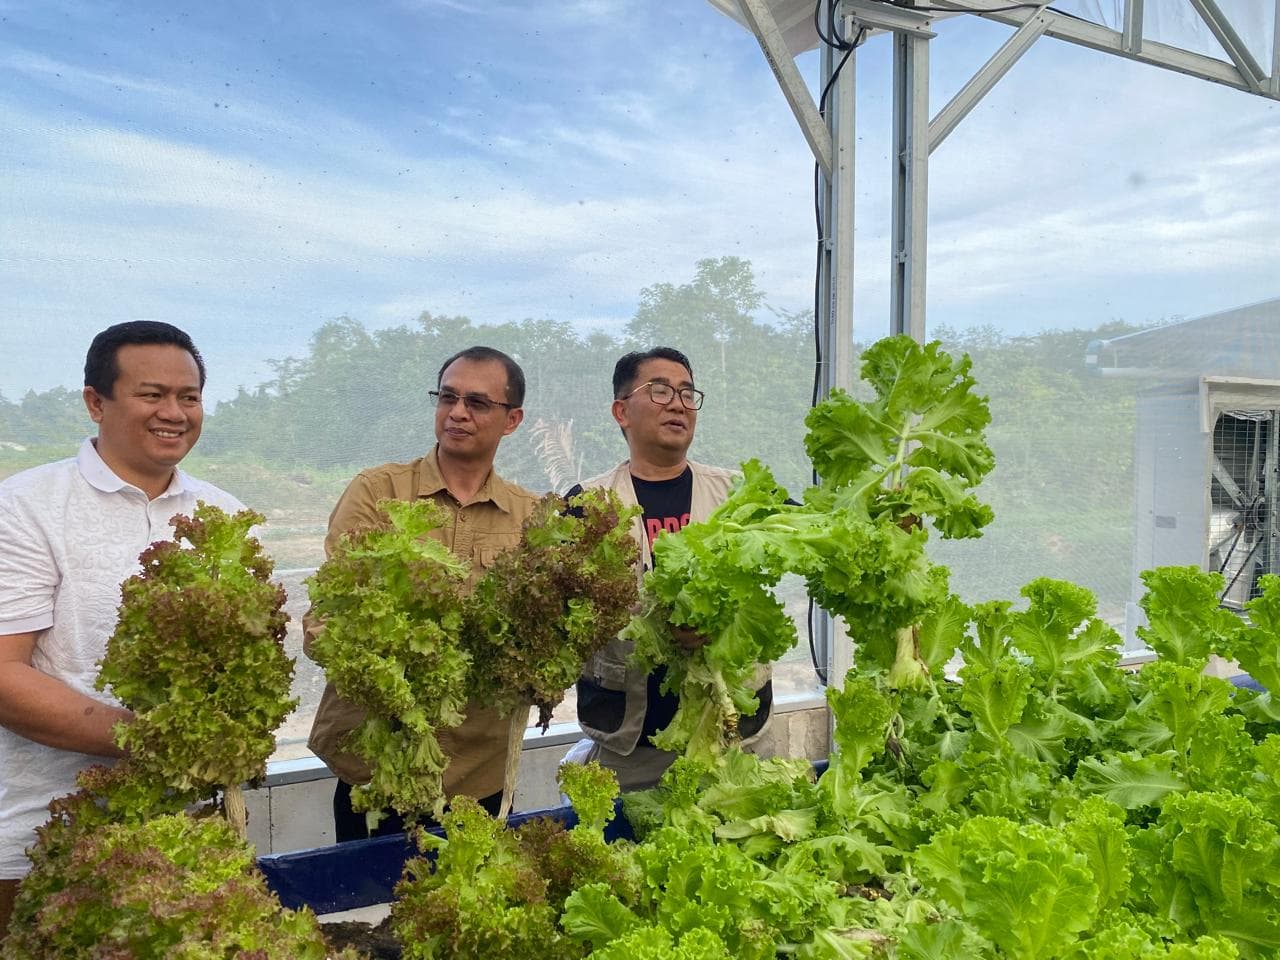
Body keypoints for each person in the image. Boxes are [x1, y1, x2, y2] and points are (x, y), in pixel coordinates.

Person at [0, 321, 245, 935]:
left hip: (184, 822)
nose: (174, 413)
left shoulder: (228, 518)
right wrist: (154, 740)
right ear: (95, 401)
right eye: (151, 394)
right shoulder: (26, 506)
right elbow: (4, 675)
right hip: (39, 833)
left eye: (189, 398)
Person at [305, 345, 539, 842]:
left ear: (512, 419)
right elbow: (328, 614)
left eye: (477, 403)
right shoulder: (377, 492)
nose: (457, 412)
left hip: (479, 772)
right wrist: (381, 666)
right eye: (447, 397)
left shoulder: (531, 516)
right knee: (374, 912)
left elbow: (541, 636)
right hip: (375, 767)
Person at [567, 347, 773, 789]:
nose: (678, 403)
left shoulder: (739, 493)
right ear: (621, 411)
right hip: (631, 744)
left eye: (687, 393)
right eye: (660, 391)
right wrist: (656, 620)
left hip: (733, 737)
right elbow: (561, 613)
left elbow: (817, 531)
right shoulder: (587, 504)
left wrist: (880, 517)